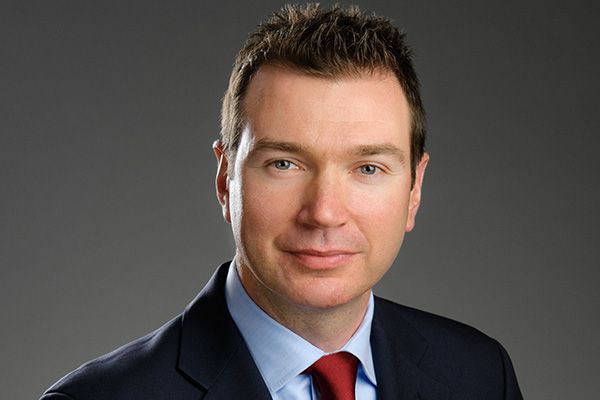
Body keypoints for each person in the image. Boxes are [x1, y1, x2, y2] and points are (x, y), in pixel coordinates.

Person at [41, 4, 523, 399]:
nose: (325, 212)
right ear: (225, 179)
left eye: (367, 168)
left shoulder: (481, 376)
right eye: (284, 164)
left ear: (414, 190)